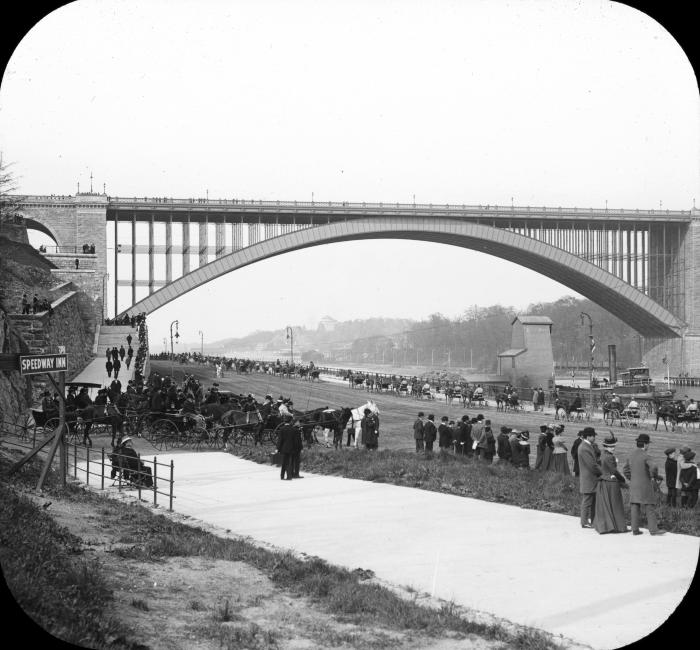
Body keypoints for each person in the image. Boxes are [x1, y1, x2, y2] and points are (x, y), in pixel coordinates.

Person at [623, 433, 665, 535]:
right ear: (645, 444)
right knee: (649, 506)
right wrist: (653, 476)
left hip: (633, 484)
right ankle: (653, 530)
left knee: (634, 506)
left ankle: (635, 529)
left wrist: (632, 478)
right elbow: (654, 467)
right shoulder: (646, 456)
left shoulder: (631, 455)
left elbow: (625, 470)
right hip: (645, 484)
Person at [594, 434, 628, 534]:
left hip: (603, 481)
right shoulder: (610, 457)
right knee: (615, 504)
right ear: (605, 446)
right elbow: (614, 471)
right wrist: (622, 479)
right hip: (611, 483)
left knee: (606, 505)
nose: (613, 448)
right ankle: (618, 526)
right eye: (610, 446)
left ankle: (606, 526)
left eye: (614, 446)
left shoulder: (603, 455)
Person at [578, 427, 601, 528]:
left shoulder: (587, 446)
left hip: (590, 478)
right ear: (588, 436)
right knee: (587, 501)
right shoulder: (584, 448)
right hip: (589, 478)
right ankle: (584, 521)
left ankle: (591, 520)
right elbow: (592, 465)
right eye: (593, 436)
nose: (595, 437)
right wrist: (602, 472)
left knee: (591, 501)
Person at [276, 414, 296, 480]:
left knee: (284, 462)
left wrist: (277, 448)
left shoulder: (282, 429)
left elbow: (280, 440)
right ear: (290, 421)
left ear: (285, 421)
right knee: (289, 462)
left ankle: (282, 476)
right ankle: (289, 476)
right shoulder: (293, 429)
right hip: (291, 448)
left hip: (283, 448)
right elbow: (294, 440)